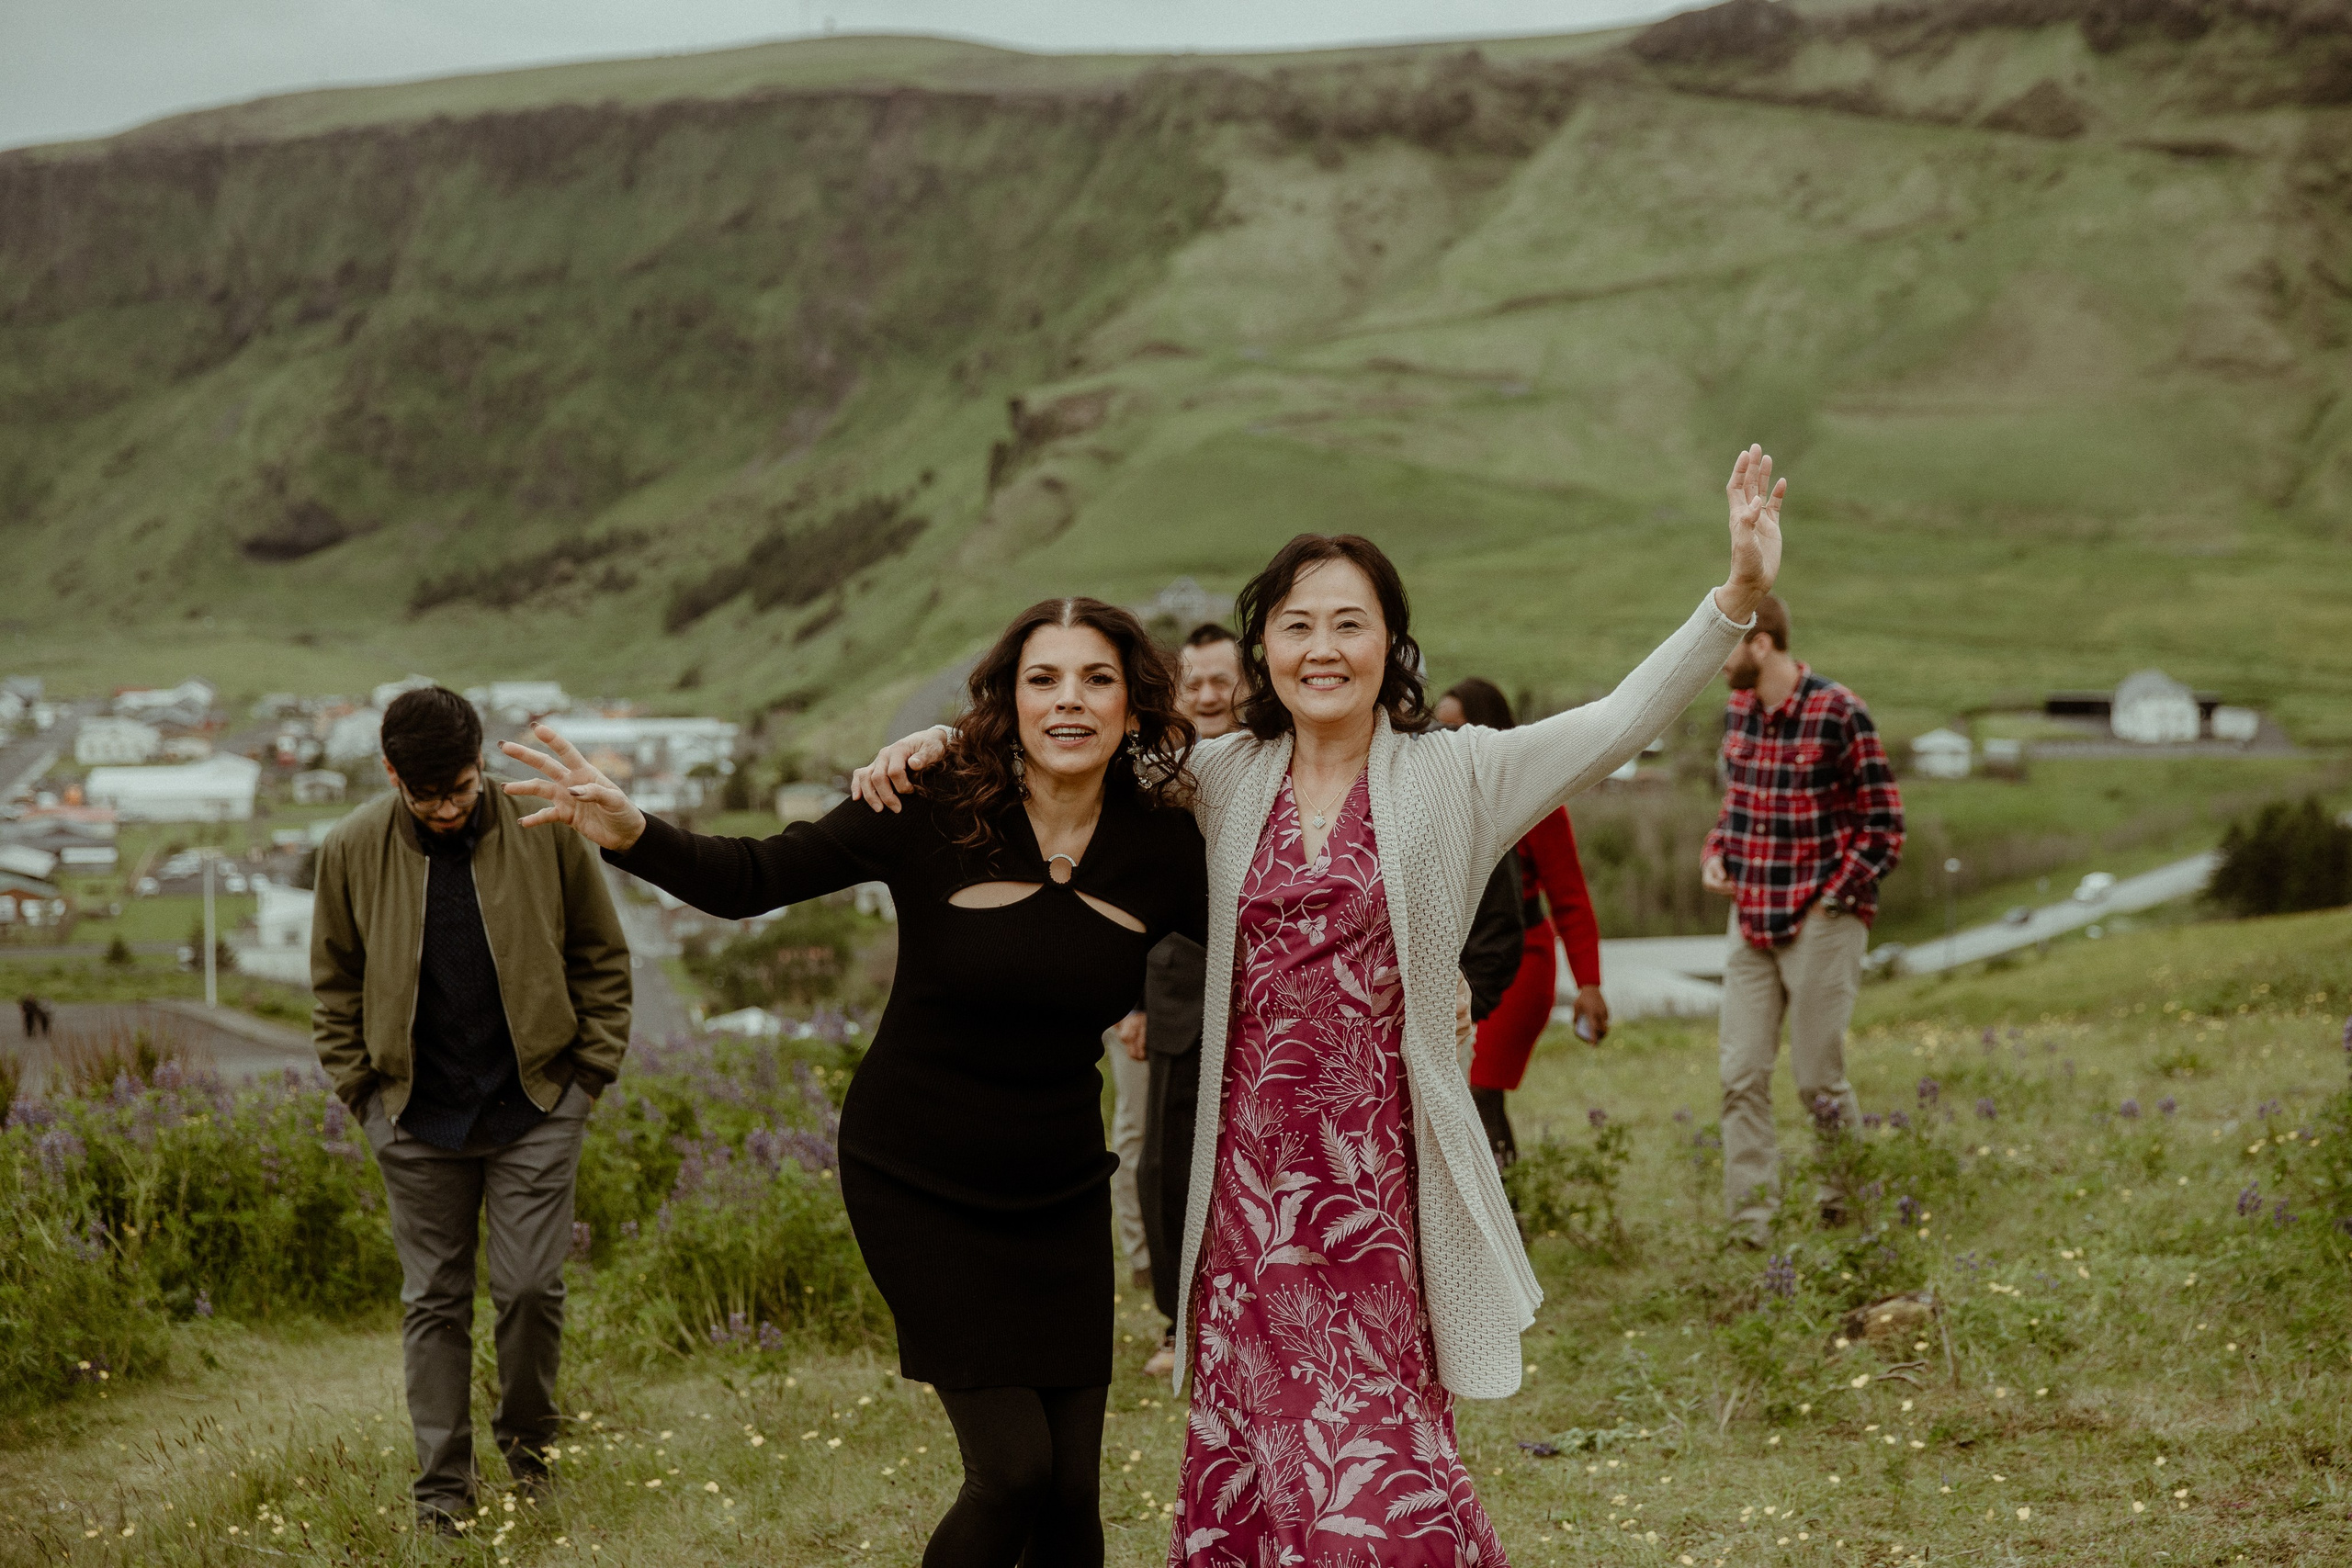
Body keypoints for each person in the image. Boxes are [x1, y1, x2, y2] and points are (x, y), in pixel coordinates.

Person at [854, 446, 1787, 1565]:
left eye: (1349, 623)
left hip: (1377, 1192)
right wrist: (941, 745)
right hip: (1245, 1197)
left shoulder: (1461, 774)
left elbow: (1618, 721)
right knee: (1263, 1458)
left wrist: (1732, 597)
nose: (1322, 648)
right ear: (1263, 647)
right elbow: (1068, 750)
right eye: (1297, 625)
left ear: (1390, 642)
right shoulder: (1219, 773)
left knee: (1374, 1466)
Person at [501, 598, 1206, 1568]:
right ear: (1008, 700)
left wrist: (1440, 983)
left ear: (1133, 705)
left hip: (1061, 1187)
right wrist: (630, 829)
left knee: (1074, 1500)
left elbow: (1292, 935)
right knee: (1011, 1475)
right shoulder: (930, 804)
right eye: (1043, 680)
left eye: (1096, 680)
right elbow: (751, 876)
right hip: (917, 1173)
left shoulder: (1168, 848)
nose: (1069, 702)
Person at [309, 686, 631, 1532]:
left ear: (480, 760)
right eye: (428, 795)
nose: (448, 808)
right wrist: (363, 1096)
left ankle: (531, 1455)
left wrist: (588, 1075)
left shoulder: (546, 834)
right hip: (413, 1118)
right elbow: (333, 983)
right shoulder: (348, 849)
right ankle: (443, 1494)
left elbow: (602, 954)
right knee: (434, 1304)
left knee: (528, 1289)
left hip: (538, 1102)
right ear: (391, 776)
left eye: (459, 787)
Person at [1701, 592, 1905, 1247]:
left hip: (1823, 915)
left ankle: (1842, 1206)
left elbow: (1884, 826)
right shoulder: (1738, 713)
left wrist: (1834, 898)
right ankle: (1751, 1225)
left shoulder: (1840, 713)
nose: (1718, 659)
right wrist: (1716, 853)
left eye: (1729, 643)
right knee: (1740, 1077)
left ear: (1762, 644)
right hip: (1751, 916)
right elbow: (1736, 809)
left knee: (1818, 1077)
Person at [1129, 623, 1246, 1379]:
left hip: (1257, 989)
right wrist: (1129, 1000)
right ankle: (1179, 1325)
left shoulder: (1273, 763)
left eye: (1220, 680)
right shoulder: (1153, 775)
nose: (1207, 694)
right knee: (1162, 1166)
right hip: (1173, 990)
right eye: (1193, 682)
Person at [1436, 678, 1608, 1168]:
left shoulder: (1535, 799)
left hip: (1520, 963)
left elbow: (1569, 899)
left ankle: (1508, 1225)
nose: (1448, 743)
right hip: (1460, 960)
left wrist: (1589, 984)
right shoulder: (1437, 794)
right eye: (1438, 732)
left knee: (1480, 1093)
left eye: (1458, 730)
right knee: (1459, 1096)